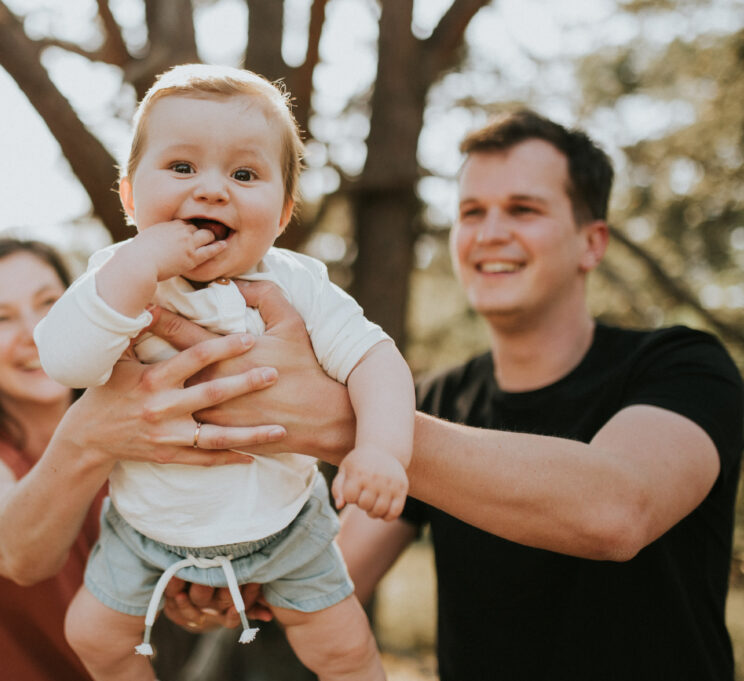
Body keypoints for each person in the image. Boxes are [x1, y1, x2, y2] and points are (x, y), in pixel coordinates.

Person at [151, 109, 742, 680]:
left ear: (592, 242)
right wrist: (229, 575)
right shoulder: (436, 399)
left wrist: (337, 421)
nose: (490, 233)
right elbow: (337, 566)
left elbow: (617, 511)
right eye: (471, 211)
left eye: (523, 209)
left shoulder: (682, 365)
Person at [34, 64, 413, 681]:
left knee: (343, 649)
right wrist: (140, 266)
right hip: (146, 529)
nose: (212, 190)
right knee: (92, 636)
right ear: (130, 195)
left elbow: (377, 360)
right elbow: (65, 362)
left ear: (283, 212)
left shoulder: (296, 285)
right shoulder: (115, 279)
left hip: (286, 525)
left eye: (244, 174)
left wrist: (381, 450)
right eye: (182, 168)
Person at [0, 237, 290, 681]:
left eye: (49, 303)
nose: (34, 332)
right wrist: (87, 439)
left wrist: (203, 593)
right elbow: (16, 552)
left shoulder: (139, 435)